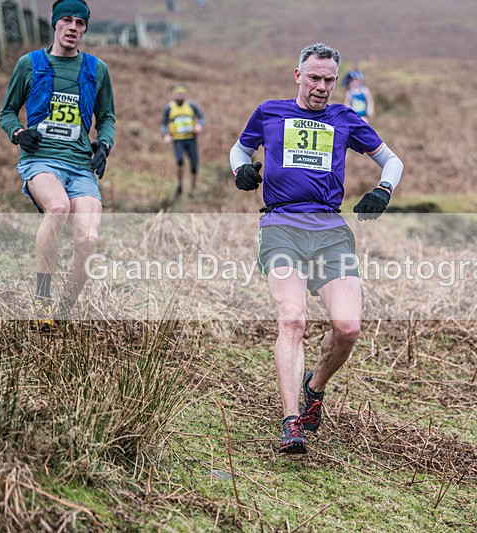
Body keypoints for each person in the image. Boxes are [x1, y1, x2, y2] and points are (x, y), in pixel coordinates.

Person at [229, 43, 403, 454]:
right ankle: (292, 422)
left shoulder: (344, 118)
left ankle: (315, 387)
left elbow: (392, 160)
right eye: (314, 77)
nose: (322, 86)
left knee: (348, 328)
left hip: (329, 231)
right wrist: (242, 170)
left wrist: (383, 189)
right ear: (298, 75)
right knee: (292, 319)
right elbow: (241, 149)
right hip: (281, 226)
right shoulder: (270, 111)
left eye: (329, 79)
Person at [0, 0, 115, 326]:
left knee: (89, 239)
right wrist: (19, 133)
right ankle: (42, 300)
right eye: (67, 20)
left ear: (85, 29)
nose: (73, 27)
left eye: (80, 23)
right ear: (55, 24)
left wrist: (104, 145)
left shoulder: (96, 69)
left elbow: (106, 117)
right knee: (59, 208)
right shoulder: (30, 64)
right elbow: (6, 112)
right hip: (41, 160)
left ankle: (64, 307)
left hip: (80, 165)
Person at [161, 84, 206, 199]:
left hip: (191, 139)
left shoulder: (191, 105)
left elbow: (202, 117)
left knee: (194, 165)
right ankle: (180, 187)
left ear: (184, 95)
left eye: (181, 94)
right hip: (178, 140)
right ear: (174, 95)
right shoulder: (169, 108)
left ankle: (193, 190)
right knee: (180, 161)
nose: (179, 96)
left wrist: (199, 126)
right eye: (177, 94)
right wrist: (166, 134)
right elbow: (163, 124)